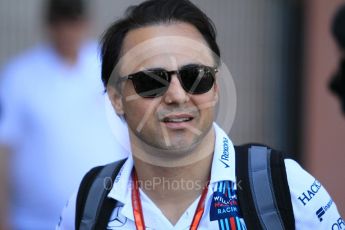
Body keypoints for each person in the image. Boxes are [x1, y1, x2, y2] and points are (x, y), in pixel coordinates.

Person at [58, 0, 343, 229]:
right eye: (151, 81)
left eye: (195, 76)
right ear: (117, 99)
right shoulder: (88, 203)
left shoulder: (284, 185)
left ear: (216, 87)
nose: (178, 95)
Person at [0, 0, 129, 229]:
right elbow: (4, 148)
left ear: (86, 24)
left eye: (75, 23)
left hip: (104, 215)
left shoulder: (107, 66)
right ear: (49, 26)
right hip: (33, 221)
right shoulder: (19, 75)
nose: (69, 32)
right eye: (62, 24)